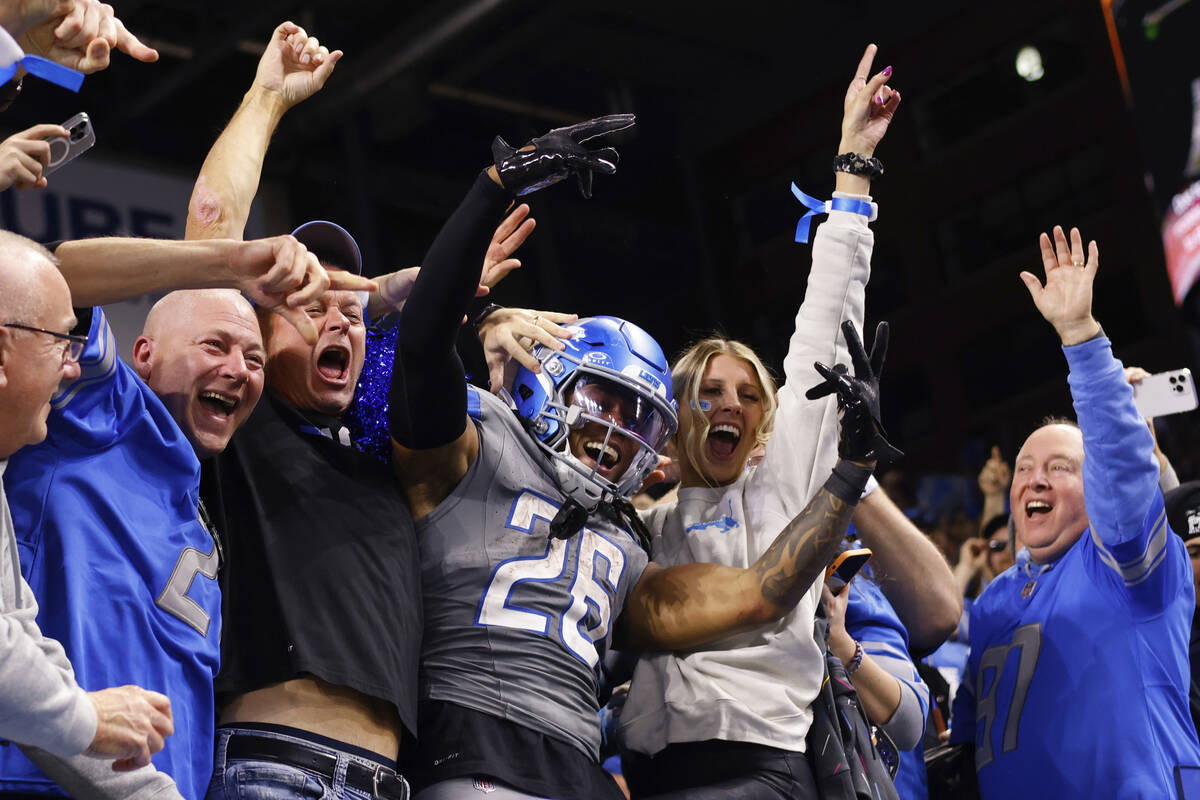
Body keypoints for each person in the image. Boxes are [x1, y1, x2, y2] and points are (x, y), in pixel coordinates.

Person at [384, 107, 892, 800]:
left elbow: (757, 594)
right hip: (469, 743)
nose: (618, 426)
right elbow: (418, 344)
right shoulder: (478, 441)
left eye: (637, 414)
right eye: (605, 398)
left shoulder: (627, 538)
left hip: (581, 765)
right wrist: (495, 188)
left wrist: (847, 474)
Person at [615, 45, 954, 799]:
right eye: (707, 392)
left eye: (747, 393)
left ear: (770, 421)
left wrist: (853, 171)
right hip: (652, 777)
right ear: (671, 418)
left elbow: (822, 336)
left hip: (756, 773)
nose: (729, 403)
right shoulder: (640, 523)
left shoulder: (782, 488)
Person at [1, 233, 364, 800]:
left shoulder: (202, 512)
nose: (239, 370)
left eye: (254, 359)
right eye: (215, 345)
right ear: (143, 355)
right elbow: (54, 277)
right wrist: (229, 261)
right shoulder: (104, 413)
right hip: (39, 779)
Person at [949, 226, 1200, 797]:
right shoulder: (991, 603)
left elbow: (1123, 471)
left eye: (1060, 466)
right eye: (1023, 468)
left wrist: (1081, 337)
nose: (1035, 477)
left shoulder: (1124, 565)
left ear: (1097, 487)